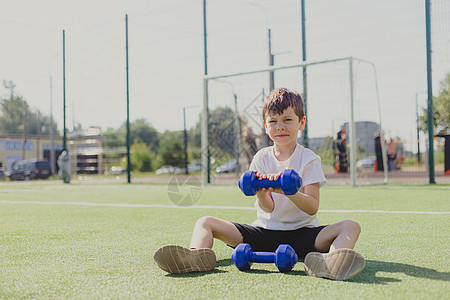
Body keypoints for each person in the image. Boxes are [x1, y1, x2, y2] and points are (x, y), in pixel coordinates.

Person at [154, 87, 365, 280]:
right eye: (273, 122)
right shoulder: (261, 158)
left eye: (287, 120)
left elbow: (312, 208)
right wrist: (261, 192)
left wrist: (288, 192)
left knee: (350, 226)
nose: (280, 127)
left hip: (303, 236)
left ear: (301, 123)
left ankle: (332, 261)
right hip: (263, 233)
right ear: (265, 126)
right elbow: (268, 208)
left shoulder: (309, 159)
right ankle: (196, 257)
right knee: (205, 221)